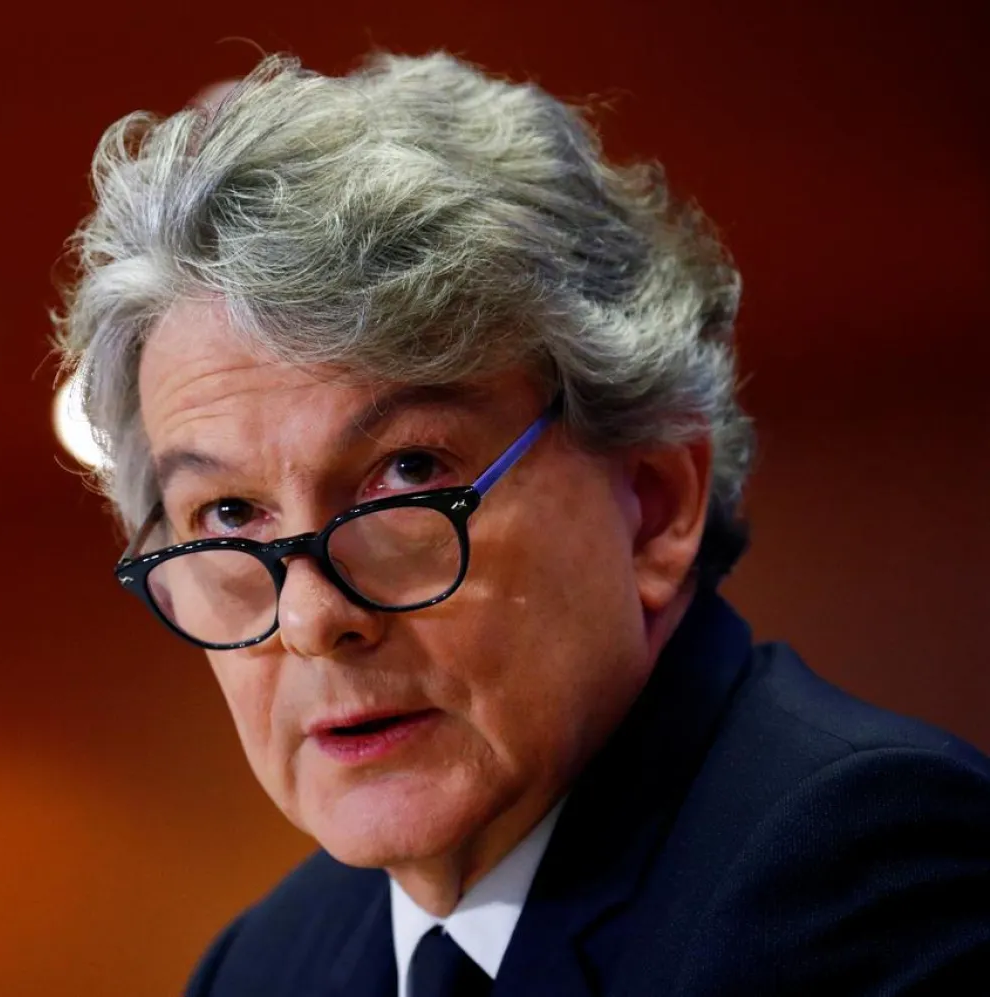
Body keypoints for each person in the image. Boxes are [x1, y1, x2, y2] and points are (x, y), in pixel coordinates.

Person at [51, 51, 990, 996]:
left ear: (655, 505)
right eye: (229, 512)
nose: (309, 620)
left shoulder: (860, 869)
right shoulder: (258, 968)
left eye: (407, 472)